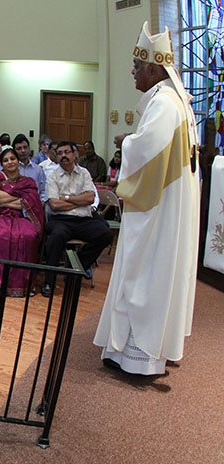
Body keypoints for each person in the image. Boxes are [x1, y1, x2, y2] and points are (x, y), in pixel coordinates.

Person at [94, 22, 200, 375]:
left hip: (157, 209)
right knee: (155, 273)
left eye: (137, 65)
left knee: (144, 274)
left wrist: (126, 142)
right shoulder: (177, 100)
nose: (133, 71)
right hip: (169, 203)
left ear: (155, 68)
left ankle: (137, 356)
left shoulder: (164, 103)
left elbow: (148, 151)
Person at [42, 141, 113, 297]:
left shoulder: (84, 173)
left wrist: (67, 198)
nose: (63, 156)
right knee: (56, 237)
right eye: (60, 153)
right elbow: (54, 204)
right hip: (60, 220)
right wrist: (78, 202)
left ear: (75, 155)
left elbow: (90, 198)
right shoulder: (52, 176)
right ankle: (49, 281)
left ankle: (77, 266)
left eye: (67, 152)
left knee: (105, 234)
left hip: (83, 219)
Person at [0, 148, 44, 297]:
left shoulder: (28, 181)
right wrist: (18, 200)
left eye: (12, 158)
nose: (9, 162)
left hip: (21, 217)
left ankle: (23, 285)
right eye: (6, 160)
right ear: (2, 163)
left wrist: (4, 201)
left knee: (29, 236)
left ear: (18, 161)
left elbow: (29, 203)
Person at [13, 134, 47, 202]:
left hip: (35, 206)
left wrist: (41, 203)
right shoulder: (11, 169)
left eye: (25, 147)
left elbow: (43, 191)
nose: (23, 151)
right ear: (14, 151)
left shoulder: (38, 170)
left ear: (29, 148)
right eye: (19, 148)